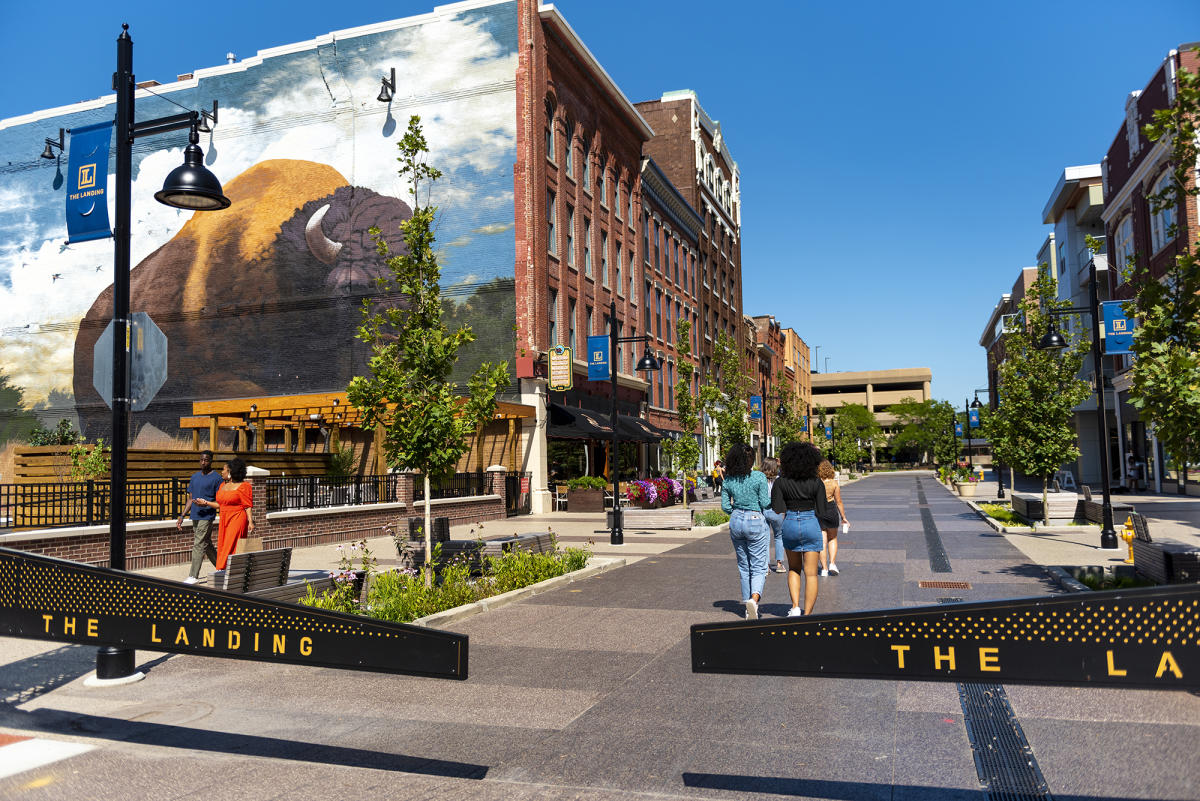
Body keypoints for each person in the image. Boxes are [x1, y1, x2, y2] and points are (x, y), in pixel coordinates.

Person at [772, 442, 829, 616]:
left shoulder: (781, 482)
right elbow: (822, 510)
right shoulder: (817, 482)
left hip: (789, 523)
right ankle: (808, 614)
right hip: (810, 522)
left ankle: (795, 606)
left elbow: (777, 508)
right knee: (811, 573)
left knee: (794, 568)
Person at [720, 444, 770, 619]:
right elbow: (765, 503)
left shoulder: (728, 479)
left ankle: (747, 606)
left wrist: (736, 510)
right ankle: (754, 600)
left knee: (743, 565)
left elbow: (725, 506)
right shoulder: (759, 477)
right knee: (758, 565)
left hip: (736, 520)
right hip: (755, 520)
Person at [193, 456, 255, 571]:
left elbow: (247, 506)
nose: (222, 472)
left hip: (237, 518)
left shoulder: (244, 486)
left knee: (231, 545)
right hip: (224, 518)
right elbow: (220, 504)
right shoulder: (222, 486)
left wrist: (250, 522)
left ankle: (224, 569)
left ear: (231, 472)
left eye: (224, 470)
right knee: (223, 544)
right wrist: (205, 503)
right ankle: (225, 570)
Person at [176, 450, 222, 584]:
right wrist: (182, 515)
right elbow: (190, 499)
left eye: (206, 460)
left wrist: (206, 504)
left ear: (211, 461)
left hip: (207, 516)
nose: (203, 462)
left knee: (198, 544)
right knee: (206, 544)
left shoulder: (217, 479)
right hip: (195, 515)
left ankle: (193, 576)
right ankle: (222, 567)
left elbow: (219, 502)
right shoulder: (194, 477)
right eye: (201, 460)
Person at [817, 460, 848, 576]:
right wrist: (843, 517)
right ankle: (832, 563)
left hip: (819, 512)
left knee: (822, 542)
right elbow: (839, 502)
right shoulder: (834, 483)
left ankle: (824, 569)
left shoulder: (817, 483)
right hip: (831, 511)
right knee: (833, 538)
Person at [762, 456, 786, 573]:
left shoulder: (760, 479)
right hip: (776, 511)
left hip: (763, 511)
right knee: (779, 537)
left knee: (765, 538)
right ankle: (779, 564)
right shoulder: (779, 479)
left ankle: (765, 566)